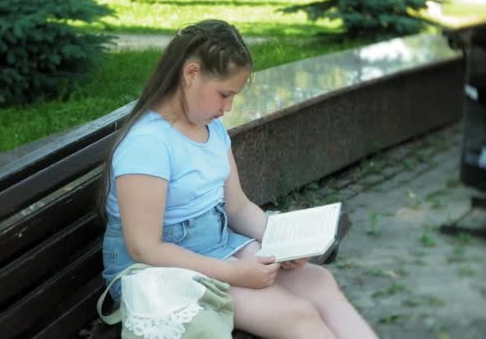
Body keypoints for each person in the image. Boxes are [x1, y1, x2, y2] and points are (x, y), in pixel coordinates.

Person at [99, 19, 378, 339]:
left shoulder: (210, 127)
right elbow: (145, 248)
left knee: (319, 282)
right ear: (191, 74)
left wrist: (281, 244)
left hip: (213, 251)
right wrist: (233, 272)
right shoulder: (147, 144)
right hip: (160, 275)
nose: (228, 108)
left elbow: (238, 207)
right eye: (224, 94)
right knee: (295, 314)